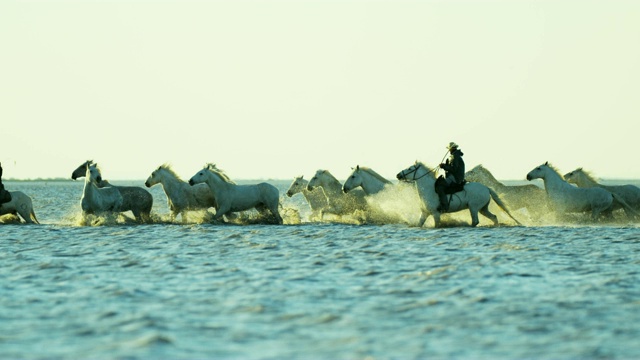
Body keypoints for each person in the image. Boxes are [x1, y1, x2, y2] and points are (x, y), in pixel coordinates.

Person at [435, 142, 465, 212]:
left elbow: (454, 169)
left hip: (455, 177)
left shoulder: (455, 157)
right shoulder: (454, 155)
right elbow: (451, 166)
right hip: (453, 176)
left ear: (451, 149)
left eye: (449, 149)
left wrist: (444, 166)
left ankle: (444, 206)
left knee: (439, 186)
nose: (449, 150)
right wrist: (444, 165)